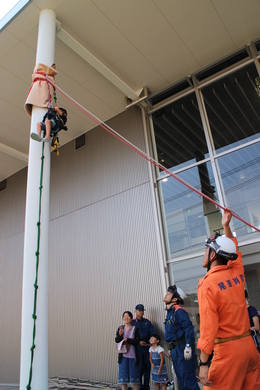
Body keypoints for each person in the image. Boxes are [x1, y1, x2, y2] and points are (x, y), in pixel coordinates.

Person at [197, 208, 260, 389]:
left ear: (213, 254)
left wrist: (203, 363)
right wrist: (226, 225)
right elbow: (233, 247)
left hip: (229, 353)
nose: (204, 254)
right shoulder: (237, 272)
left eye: (206, 250)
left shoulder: (207, 284)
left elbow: (208, 328)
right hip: (249, 348)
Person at [164, 285, 200, 390]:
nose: (166, 294)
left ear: (175, 299)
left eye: (169, 293)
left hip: (182, 348)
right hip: (176, 349)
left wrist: (188, 346)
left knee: (188, 381)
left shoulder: (178, 311)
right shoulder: (170, 312)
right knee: (182, 381)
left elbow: (188, 328)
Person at [132, 304, 156, 390]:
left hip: (147, 347)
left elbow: (153, 333)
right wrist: (138, 342)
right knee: (139, 367)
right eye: (139, 310)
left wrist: (152, 339)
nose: (141, 312)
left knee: (147, 367)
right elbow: (130, 337)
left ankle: (146, 386)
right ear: (135, 311)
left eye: (142, 310)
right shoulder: (133, 322)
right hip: (137, 348)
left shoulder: (147, 322)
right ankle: (139, 386)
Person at [115, 311, 140, 390]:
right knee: (123, 378)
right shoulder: (120, 328)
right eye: (124, 316)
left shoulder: (135, 329)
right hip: (123, 356)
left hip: (133, 356)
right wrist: (119, 335)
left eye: (128, 316)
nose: (126, 318)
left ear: (131, 318)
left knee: (135, 378)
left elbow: (137, 341)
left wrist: (128, 340)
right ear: (123, 318)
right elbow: (117, 340)